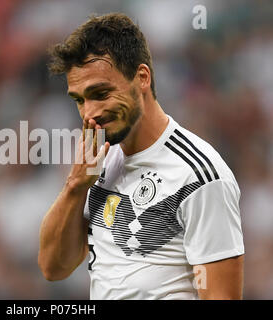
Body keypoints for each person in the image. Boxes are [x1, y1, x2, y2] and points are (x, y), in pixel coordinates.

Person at [38, 13, 244, 300]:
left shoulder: (199, 175)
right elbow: (54, 267)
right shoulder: (98, 161)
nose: (89, 112)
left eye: (101, 93)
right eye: (80, 100)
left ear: (142, 78)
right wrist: (75, 186)